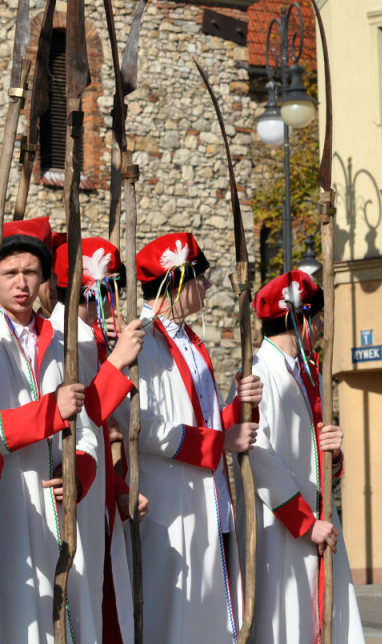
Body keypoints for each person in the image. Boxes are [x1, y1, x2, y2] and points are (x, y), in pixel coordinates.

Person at [0, 217, 101, 644]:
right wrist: (47, 414)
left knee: (70, 614)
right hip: (6, 507)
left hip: (58, 507)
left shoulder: (60, 342)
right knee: (14, 616)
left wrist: (82, 470)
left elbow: (84, 425)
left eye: (31, 273)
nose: (21, 283)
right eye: (10, 272)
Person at [134, 231, 261, 644]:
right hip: (170, 506)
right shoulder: (145, 340)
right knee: (169, 616)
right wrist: (217, 444)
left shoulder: (190, 340)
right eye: (201, 277)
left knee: (206, 617)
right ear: (180, 282)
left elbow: (204, 421)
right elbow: (144, 426)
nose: (207, 286)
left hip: (207, 501)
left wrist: (237, 404)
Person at [234, 270, 364, 644]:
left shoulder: (305, 373)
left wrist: (334, 451)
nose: (322, 328)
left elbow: (316, 458)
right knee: (287, 624)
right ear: (298, 320)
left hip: (314, 522)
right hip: (281, 530)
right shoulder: (257, 372)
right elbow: (257, 456)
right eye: (318, 318)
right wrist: (306, 523)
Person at [50, 236, 145, 644]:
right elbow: (80, 415)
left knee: (105, 605)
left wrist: (119, 488)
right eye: (114, 289)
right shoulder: (61, 335)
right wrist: (119, 362)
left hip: (100, 490)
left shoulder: (87, 334)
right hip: (73, 487)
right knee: (84, 605)